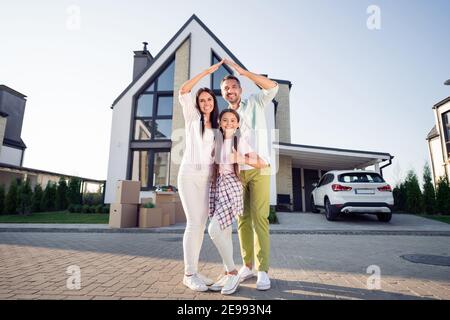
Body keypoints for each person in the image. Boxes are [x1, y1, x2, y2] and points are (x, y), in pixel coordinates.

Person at [220, 59, 279, 290]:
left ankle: (263, 270)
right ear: (223, 93)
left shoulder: (255, 102)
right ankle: (247, 265)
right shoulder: (224, 116)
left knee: (260, 219)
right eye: (226, 88)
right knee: (242, 220)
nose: (230, 91)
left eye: (234, 87)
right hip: (236, 172)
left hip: (259, 169)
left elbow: (272, 87)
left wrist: (244, 72)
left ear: (240, 90)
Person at [207, 109, 268, 295]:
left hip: (233, 188)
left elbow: (262, 163)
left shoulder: (239, 142)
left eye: (233, 120)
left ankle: (233, 272)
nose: (229, 122)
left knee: (214, 230)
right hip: (217, 188)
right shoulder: (215, 141)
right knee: (224, 232)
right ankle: (227, 273)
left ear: (238, 124)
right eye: (225, 119)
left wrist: (240, 158)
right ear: (219, 122)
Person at [177, 59, 224, 292]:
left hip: (207, 180)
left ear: (214, 103)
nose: (205, 103)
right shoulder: (192, 117)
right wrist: (207, 72)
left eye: (209, 100)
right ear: (198, 103)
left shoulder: (218, 126)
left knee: (200, 225)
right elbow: (183, 90)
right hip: (188, 176)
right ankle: (188, 273)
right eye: (202, 100)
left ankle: (194, 270)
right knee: (193, 223)